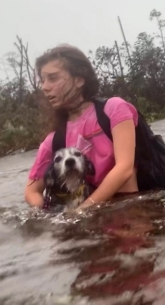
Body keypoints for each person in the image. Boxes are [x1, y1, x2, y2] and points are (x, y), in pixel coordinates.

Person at [24, 44, 139, 211]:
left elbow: (124, 168)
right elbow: (31, 191)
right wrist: (49, 214)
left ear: (79, 80)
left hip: (131, 206)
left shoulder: (113, 109)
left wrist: (82, 210)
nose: (44, 87)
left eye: (53, 78)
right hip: (91, 214)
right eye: (43, 80)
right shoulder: (55, 139)